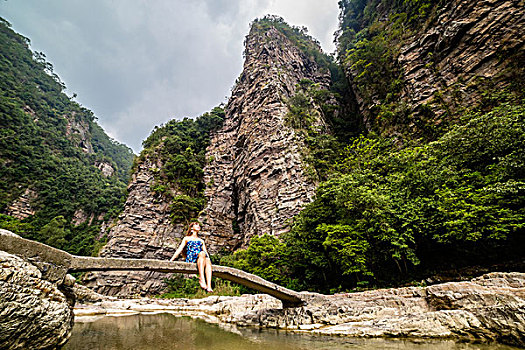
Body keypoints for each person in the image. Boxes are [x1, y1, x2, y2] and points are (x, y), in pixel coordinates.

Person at [170, 221, 213, 292]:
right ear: (192, 228)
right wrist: (171, 260)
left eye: (199, 225)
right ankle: (201, 278)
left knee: (207, 258)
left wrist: (208, 261)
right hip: (191, 258)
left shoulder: (201, 240)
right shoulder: (187, 238)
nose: (198, 226)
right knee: (202, 253)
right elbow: (180, 249)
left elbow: (206, 252)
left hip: (200, 258)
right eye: (196, 225)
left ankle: (209, 286)